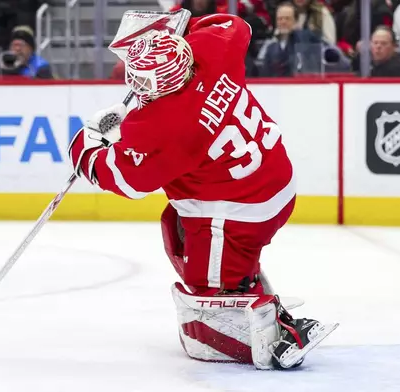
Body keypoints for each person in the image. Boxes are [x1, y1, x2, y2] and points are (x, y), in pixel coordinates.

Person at [68, 14, 337, 370]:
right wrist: (178, 31)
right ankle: (240, 275)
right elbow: (234, 25)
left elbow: (126, 179)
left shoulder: (168, 125)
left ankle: (277, 329)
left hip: (239, 213)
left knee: (206, 293)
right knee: (178, 221)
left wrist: (86, 144)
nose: (132, 83)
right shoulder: (212, 50)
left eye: (138, 78)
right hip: (274, 181)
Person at [257, 2, 322, 77]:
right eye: (280, 19)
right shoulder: (271, 48)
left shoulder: (307, 38)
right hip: (277, 86)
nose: (283, 22)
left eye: (287, 18)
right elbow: (265, 76)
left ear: (295, 21)